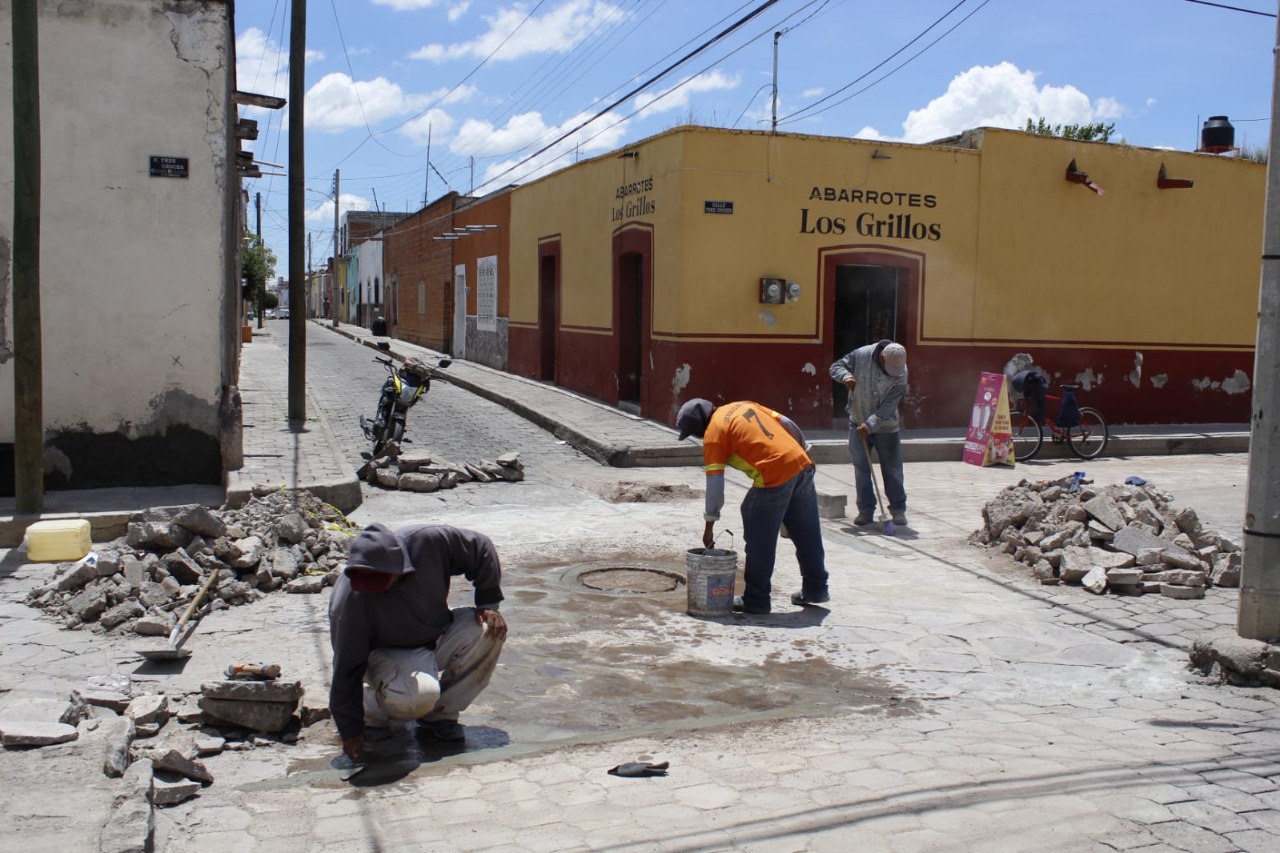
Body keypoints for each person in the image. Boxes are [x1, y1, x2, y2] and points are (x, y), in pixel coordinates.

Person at [329, 522, 508, 760]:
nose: (374, 591)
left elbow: (481, 547)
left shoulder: (428, 542)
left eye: (381, 582)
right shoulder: (351, 602)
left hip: (432, 636)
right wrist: (350, 729)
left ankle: (439, 715)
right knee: (418, 697)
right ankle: (369, 709)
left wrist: (488, 603)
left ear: (399, 568)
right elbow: (346, 669)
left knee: (489, 630)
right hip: (384, 655)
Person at [676, 398, 829, 614]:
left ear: (700, 427)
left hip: (774, 474)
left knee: (759, 534)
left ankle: (756, 599)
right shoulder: (742, 405)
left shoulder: (713, 434)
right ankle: (816, 588)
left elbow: (715, 486)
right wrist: (803, 449)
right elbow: (787, 422)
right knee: (807, 532)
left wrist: (709, 525)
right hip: (801, 462)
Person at [829, 340, 910, 527]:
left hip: (886, 426)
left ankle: (898, 510)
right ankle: (865, 511)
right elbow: (836, 366)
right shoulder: (861, 355)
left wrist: (870, 424)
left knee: (893, 469)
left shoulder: (901, 370)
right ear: (881, 357)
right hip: (857, 420)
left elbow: (889, 405)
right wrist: (845, 376)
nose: (891, 372)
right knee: (861, 469)